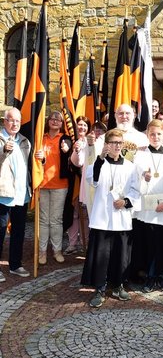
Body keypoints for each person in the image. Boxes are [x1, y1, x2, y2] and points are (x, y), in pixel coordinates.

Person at [81, 129, 141, 308]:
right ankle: (99, 288)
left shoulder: (130, 167)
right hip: (103, 218)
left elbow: (136, 191)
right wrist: (100, 158)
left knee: (120, 255)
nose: (116, 146)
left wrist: (125, 201)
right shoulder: (98, 164)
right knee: (101, 255)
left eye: (119, 143)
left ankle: (118, 284)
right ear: (107, 144)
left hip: (121, 218)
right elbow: (94, 180)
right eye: (113, 142)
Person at [133, 120, 163, 292]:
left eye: (159, 134)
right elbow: (133, 178)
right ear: (147, 135)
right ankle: (150, 276)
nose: (155, 137)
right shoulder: (140, 155)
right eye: (152, 134)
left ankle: (161, 275)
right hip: (147, 207)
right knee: (149, 242)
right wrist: (143, 177)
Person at [35, 111, 72, 265]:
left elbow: (71, 155)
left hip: (59, 184)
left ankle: (57, 250)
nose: (55, 121)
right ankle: (42, 251)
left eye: (58, 119)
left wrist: (67, 149)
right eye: (52, 118)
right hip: (42, 184)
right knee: (43, 219)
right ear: (48, 121)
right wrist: (39, 158)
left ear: (62, 123)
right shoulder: (40, 138)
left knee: (56, 219)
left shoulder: (65, 139)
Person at [0, 108, 31, 280]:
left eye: (17, 121)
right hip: (3, 194)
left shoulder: (25, 141)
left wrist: (41, 159)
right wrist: (3, 150)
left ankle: (15, 265)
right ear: (4, 121)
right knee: (0, 230)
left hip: (21, 194)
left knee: (19, 231)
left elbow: (29, 166)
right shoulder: (0, 139)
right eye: (11, 120)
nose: (14, 124)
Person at [65, 116, 91, 254]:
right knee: (73, 215)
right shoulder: (69, 140)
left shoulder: (91, 142)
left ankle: (85, 243)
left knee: (85, 215)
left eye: (85, 125)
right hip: (72, 182)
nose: (82, 128)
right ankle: (72, 243)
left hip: (85, 183)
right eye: (79, 125)